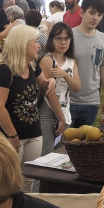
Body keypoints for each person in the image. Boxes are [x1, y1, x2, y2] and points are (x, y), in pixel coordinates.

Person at [0, 25, 46, 185]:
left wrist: (52, 81)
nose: (39, 45)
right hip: (11, 136)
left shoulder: (32, 65)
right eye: (35, 41)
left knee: (29, 182)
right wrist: (12, 136)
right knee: (9, 183)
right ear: (23, 44)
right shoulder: (4, 70)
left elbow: (44, 86)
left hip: (34, 133)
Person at [69, 0, 104, 128]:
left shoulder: (103, 39)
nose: (95, 18)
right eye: (92, 13)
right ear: (82, 12)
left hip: (91, 102)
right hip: (68, 101)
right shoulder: (68, 36)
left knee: (85, 143)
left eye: (99, 14)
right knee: (63, 145)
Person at [38, 22, 81, 156]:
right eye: (59, 38)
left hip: (65, 110)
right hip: (48, 109)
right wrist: (60, 117)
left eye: (66, 39)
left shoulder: (71, 61)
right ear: (52, 40)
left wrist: (65, 75)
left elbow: (77, 88)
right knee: (46, 153)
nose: (63, 42)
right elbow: (48, 92)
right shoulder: (47, 59)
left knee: (63, 153)